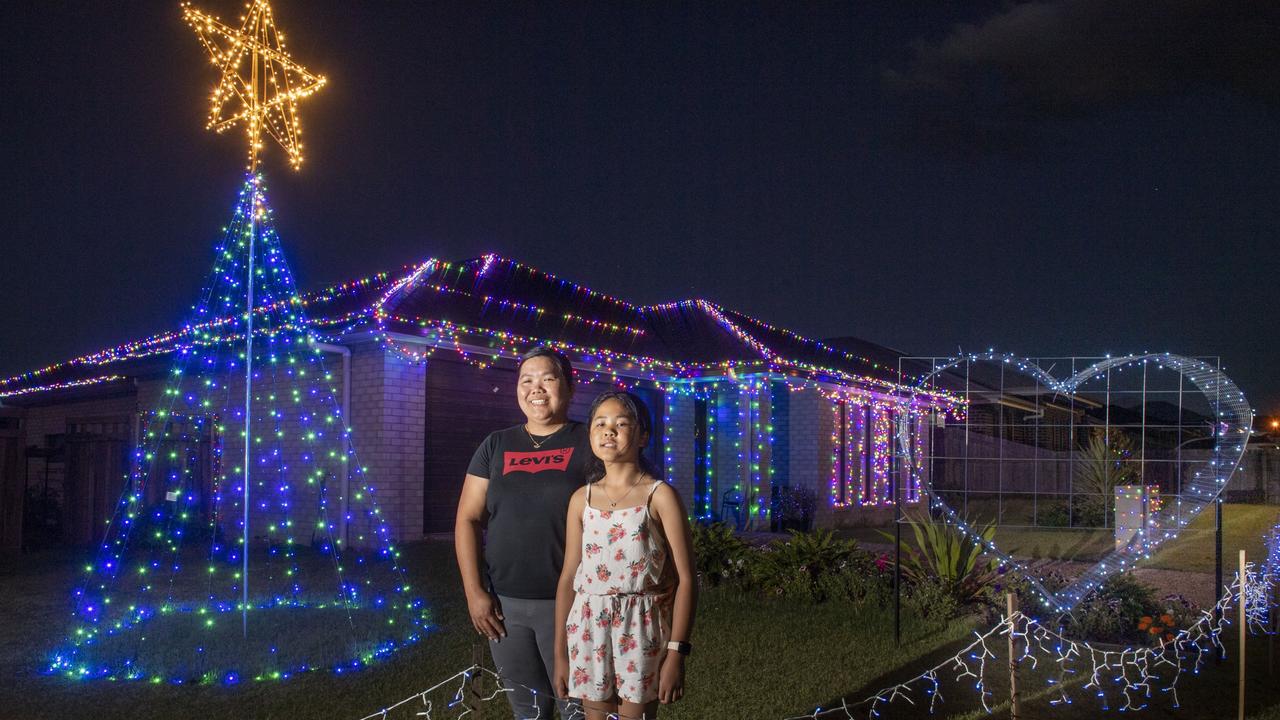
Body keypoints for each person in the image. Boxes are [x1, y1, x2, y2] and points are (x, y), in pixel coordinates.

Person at [455, 346, 591, 719]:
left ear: (569, 386)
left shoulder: (589, 441)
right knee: (528, 710)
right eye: (526, 380)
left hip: (571, 604)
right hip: (505, 606)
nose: (536, 388)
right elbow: (467, 519)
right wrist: (474, 592)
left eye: (548, 378)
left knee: (576, 708)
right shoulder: (496, 444)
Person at [553, 391, 697, 720]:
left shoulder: (660, 496)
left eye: (621, 423)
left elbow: (686, 579)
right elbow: (567, 579)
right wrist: (560, 654)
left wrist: (676, 652)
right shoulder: (581, 499)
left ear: (643, 435)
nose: (609, 431)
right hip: (589, 627)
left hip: (641, 626)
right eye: (600, 423)